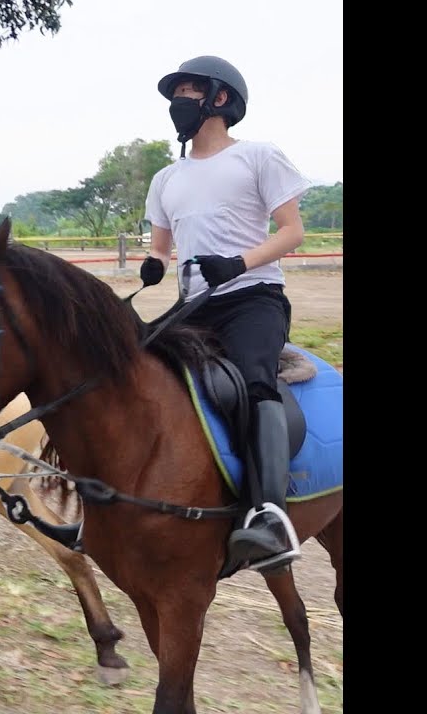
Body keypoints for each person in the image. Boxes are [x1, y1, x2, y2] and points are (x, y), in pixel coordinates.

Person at [139, 55, 312, 574]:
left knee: (254, 378)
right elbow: (162, 246)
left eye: (189, 91)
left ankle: (268, 513)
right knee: (133, 367)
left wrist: (237, 262)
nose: (179, 102)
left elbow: (292, 232)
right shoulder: (166, 177)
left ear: (220, 99)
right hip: (195, 303)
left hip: (253, 297)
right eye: (176, 93)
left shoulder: (258, 156)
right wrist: (153, 264)